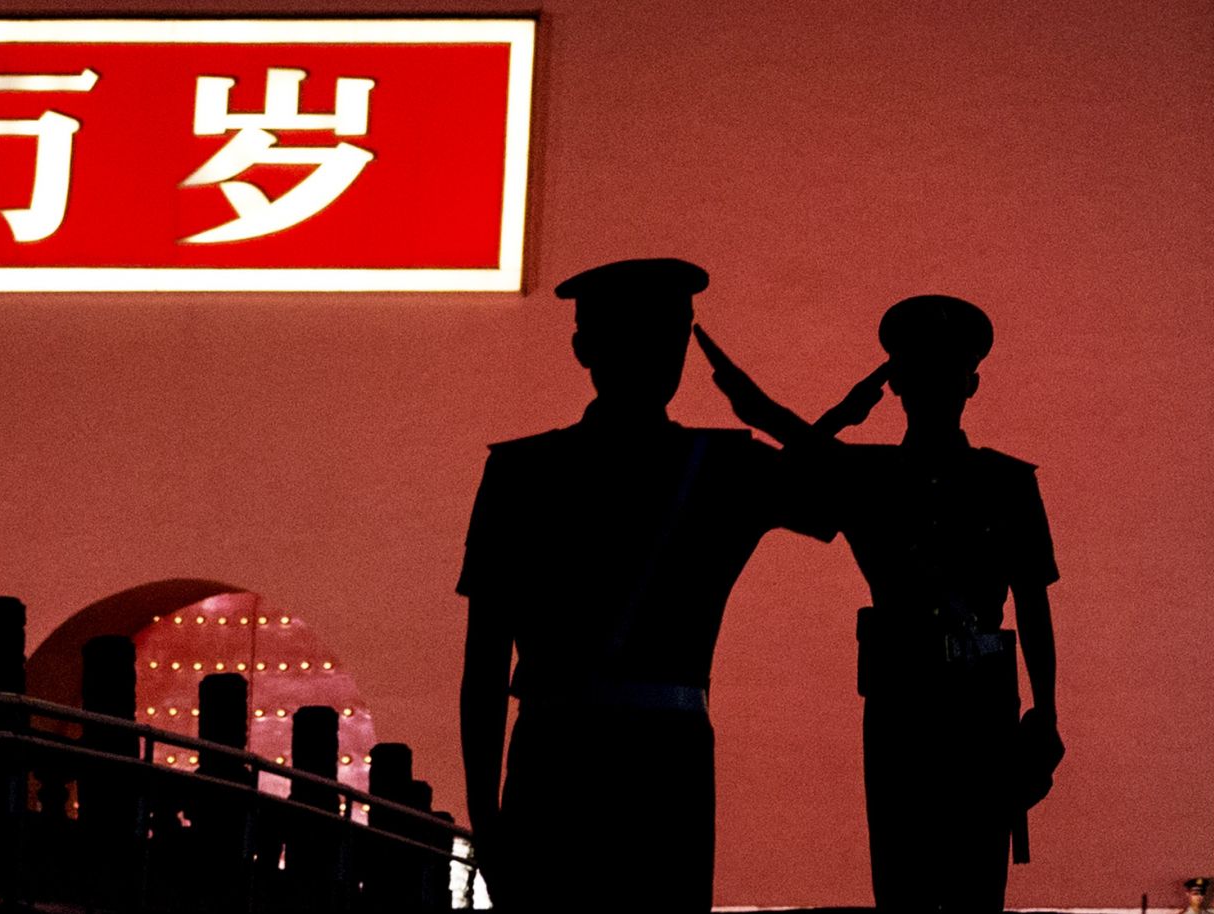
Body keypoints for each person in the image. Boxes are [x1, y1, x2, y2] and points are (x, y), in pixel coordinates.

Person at [455, 258, 832, 911]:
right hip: (668, 760)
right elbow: (850, 500)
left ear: (583, 348)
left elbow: (485, 667)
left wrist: (486, 821)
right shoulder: (728, 469)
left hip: (554, 757)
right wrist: (763, 411)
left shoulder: (520, 472)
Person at [695, 295, 1063, 913]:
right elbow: (773, 437)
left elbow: (1033, 603)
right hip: (912, 701)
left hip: (965, 705)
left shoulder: (996, 481)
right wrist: (844, 411)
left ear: (970, 383)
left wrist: (1047, 712)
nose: (935, 388)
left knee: (970, 885)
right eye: (920, 374)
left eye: (944, 374)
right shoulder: (882, 475)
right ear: (899, 386)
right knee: (903, 880)